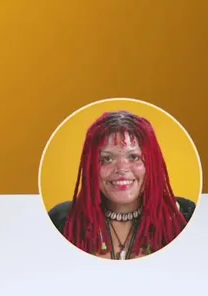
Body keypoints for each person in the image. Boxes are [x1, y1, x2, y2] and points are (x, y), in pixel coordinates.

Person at [48, 110, 196, 259]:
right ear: (89, 166)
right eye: (107, 159)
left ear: (153, 163)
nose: (121, 169)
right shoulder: (62, 220)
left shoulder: (184, 217)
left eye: (134, 157)